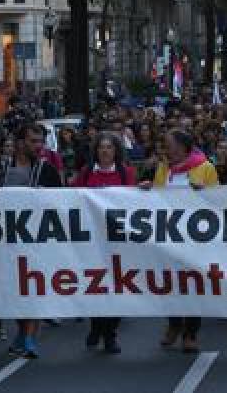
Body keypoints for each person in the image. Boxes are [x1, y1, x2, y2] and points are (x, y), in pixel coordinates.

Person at [141, 130, 218, 353]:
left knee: (194, 284)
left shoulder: (205, 168)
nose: (166, 148)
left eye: (169, 144)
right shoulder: (163, 168)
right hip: (169, 235)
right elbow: (156, 197)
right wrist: (147, 189)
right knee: (171, 283)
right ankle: (174, 325)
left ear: (183, 147)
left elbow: (219, 199)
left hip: (196, 237)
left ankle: (191, 332)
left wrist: (204, 193)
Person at [0, 123, 63, 359]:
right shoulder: (1, 168)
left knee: (33, 287)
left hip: (38, 240)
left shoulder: (48, 171)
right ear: (19, 143)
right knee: (14, 290)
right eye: (33, 141)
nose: (38, 146)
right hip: (6, 238)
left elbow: (61, 203)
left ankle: (29, 337)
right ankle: (21, 330)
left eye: (41, 142)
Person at [73, 134, 135, 354]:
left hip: (117, 240)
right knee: (96, 285)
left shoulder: (125, 172)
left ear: (116, 150)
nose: (105, 151)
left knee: (117, 286)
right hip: (92, 239)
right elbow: (73, 198)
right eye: (101, 147)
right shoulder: (87, 173)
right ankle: (96, 326)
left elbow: (134, 201)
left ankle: (110, 334)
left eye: (109, 147)